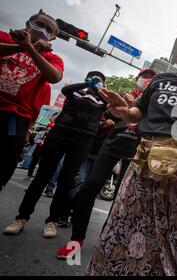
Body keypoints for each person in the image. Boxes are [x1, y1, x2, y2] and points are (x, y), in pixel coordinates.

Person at [84, 29, 177, 276]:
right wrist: (123, 112)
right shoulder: (161, 80)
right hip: (146, 162)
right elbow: (137, 113)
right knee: (130, 223)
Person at [3, 72, 107, 238]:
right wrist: (85, 84)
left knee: (66, 182)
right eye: (92, 77)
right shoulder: (75, 92)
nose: (96, 80)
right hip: (59, 135)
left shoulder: (102, 99)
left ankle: (52, 221)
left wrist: (101, 90)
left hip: (82, 141)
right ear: (87, 78)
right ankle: (21, 217)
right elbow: (66, 91)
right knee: (42, 177)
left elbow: (112, 106)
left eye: (99, 79)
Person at [55, 93, 141, 259]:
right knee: (89, 187)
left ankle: (108, 239)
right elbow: (106, 113)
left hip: (135, 149)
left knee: (122, 196)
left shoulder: (153, 100)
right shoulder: (124, 100)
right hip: (112, 145)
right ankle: (76, 239)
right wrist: (120, 106)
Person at [0, 9, 64, 191]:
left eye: (49, 30)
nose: (43, 30)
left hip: (15, 116)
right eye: (40, 24)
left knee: (9, 154)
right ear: (28, 24)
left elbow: (54, 77)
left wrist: (31, 49)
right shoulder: (5, 37)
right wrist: (23, 45)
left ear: (52, 38)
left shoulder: (53, 58)